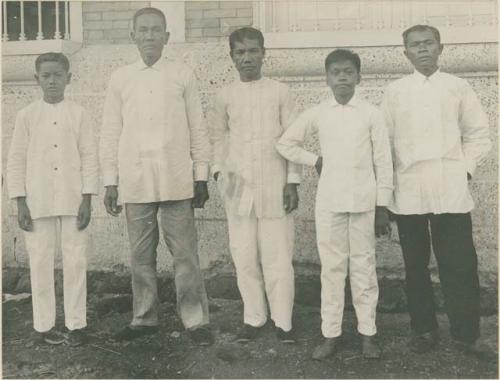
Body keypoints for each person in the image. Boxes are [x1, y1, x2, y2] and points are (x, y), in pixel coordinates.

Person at [99, 7, 212, 345]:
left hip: (176, 178)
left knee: (185, 254)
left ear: (167, 37)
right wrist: (110, 180)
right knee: (140, 255)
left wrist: (201, 175)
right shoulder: (120, 78)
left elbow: (198, 129)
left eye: (156, 30)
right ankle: (144, 317)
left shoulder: (182, 74)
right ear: (132, 36)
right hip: (135, 180)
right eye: (143, 30)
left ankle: (195, 320)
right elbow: (109, 131)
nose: (149, 36)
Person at [381, 24, 493, 359]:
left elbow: (478, 134)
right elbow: (383, 144)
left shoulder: (458, 87)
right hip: (409, 188)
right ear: (406, 53)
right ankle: (424, 330)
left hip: (450, 187)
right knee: (415, 265)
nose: (423, 50)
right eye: (415, 46)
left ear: (441, 48)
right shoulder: (395, 91)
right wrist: (387, 191)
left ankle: (467, 334)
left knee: (458, 263)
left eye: (429, 43)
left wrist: (465, 169)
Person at [276, 49, 393, 359]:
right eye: (336, 72)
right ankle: (331, 334)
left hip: (365, 203)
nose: (342, 77)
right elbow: (286, 143)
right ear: (326, 78)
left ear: (359, 77)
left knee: (364, 268)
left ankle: (368, 333)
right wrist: (315, 160)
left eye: (348, 72)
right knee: (332, 269)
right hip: (329, 203)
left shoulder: (371, 113)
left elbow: (384, 162)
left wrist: (383, 206)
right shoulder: (318, 113)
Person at [209, 27, 300, 343]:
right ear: (232, 56)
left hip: (274, 185)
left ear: (264, 53)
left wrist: (292, 181)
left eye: (252, 51)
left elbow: (292, 139)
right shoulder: (224, 95)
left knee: (277, 256)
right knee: (244, 254)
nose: (247, 58)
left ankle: (282, 321)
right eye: (240, 52)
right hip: (238, 188)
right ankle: (254, 318)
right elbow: (218, 138)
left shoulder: (280, 92)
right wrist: (220, 172)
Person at [6, 52, 98, 347]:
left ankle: (76, 323)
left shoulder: (79, 114)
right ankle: (43, 326)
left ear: (68, 78)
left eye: (58, 75)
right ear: (37, 80)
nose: (52, 81)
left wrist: (87, 199)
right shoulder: (27, 116)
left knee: (75, 259)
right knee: (40, 261)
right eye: (46, 76)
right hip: (38, 200)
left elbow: (89, 157)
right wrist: (20, 201)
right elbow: (15, 160)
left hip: (73, 199)